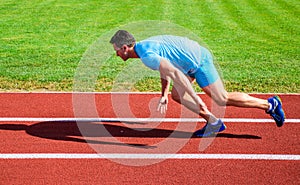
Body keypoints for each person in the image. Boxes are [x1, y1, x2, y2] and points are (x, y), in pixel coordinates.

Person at [109, 30, 285, 137]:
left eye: (117, 50)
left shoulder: (146, 56)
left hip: (198, 61)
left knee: (221, 98)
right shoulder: (144, 47)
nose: (116, 54)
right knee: (176, 95)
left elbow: (174, 73)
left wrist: (196, 98)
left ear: (125, 47)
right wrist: (163, 95)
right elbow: (166, 68)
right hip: (188, 61)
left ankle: (270, 104)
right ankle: (213, 122)